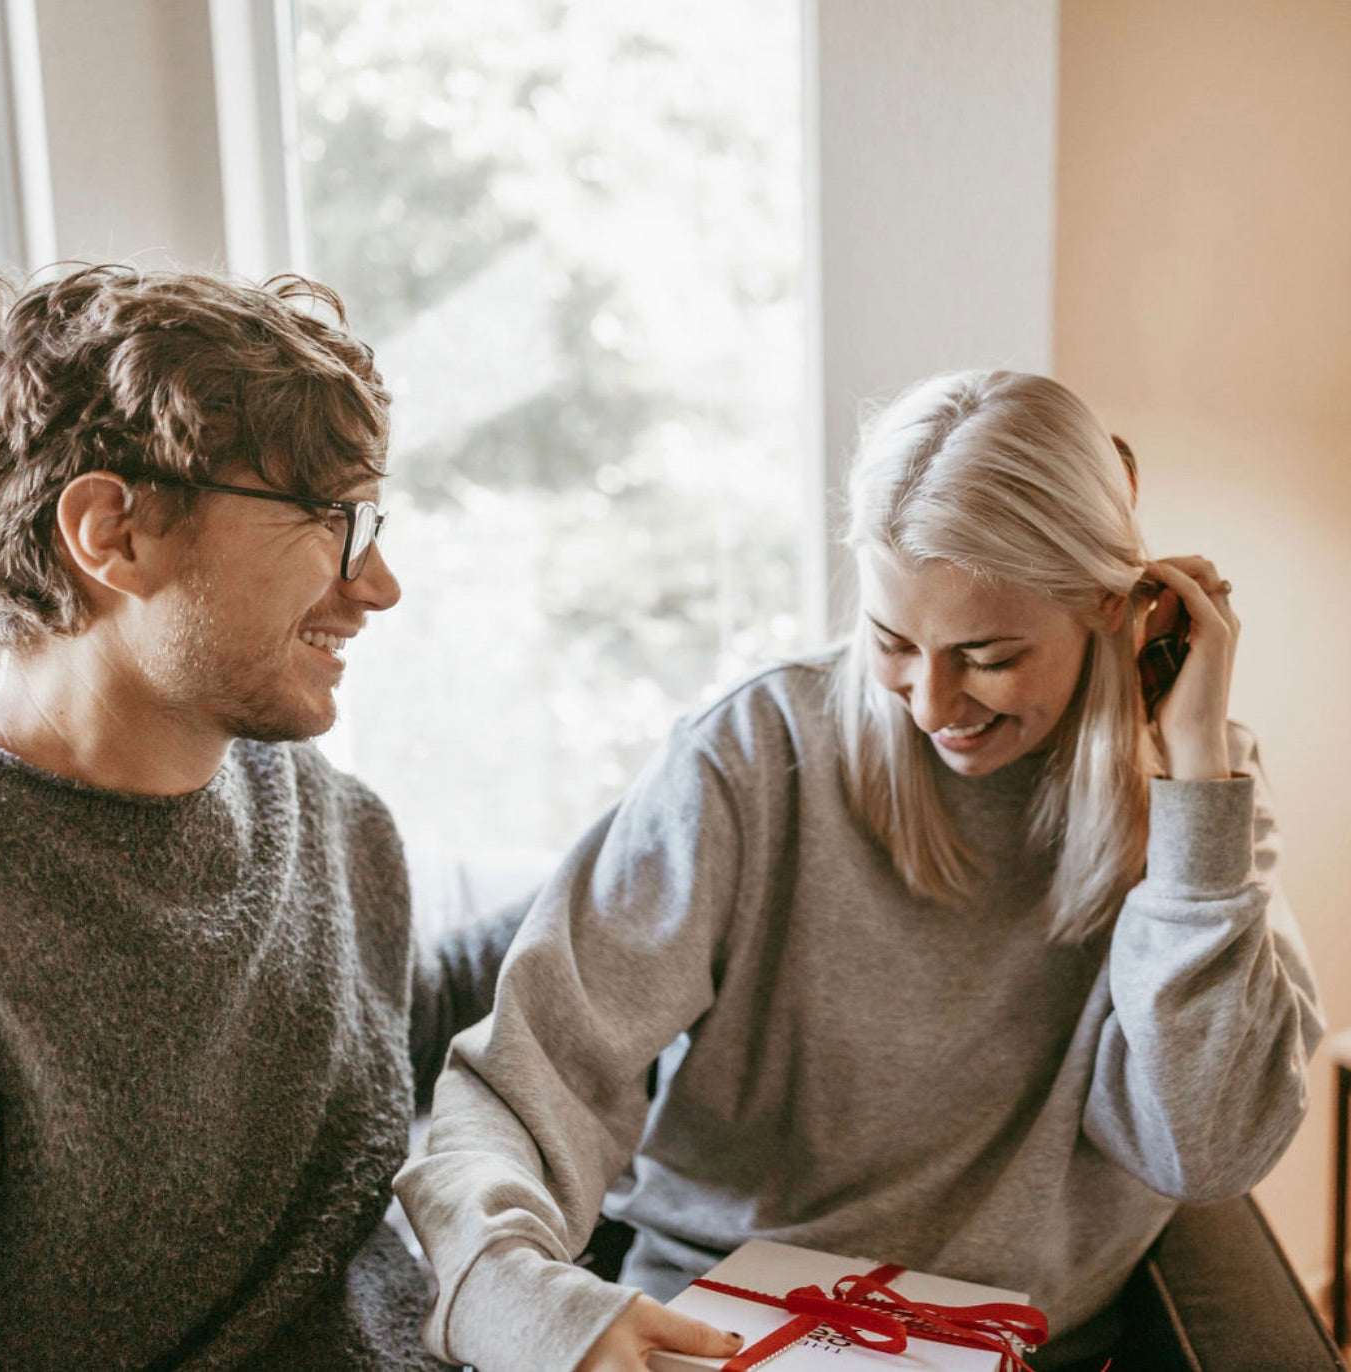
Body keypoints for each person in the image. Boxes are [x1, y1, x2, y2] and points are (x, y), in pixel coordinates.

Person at [395, 369, 1324, 1372]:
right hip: (714, 1335)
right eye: (892, 641)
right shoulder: (751, 755)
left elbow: (1208, 1148)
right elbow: (536, 1072)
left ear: (1109, 608)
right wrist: (516, 1294)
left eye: (987, 654)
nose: (931, 701)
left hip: (1005, 1350)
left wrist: (1193, 790)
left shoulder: (1198, 806)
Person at [0, 264, 516, 1370]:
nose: (377, 586)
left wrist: (692, 830)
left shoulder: (331, 818)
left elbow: (404, 1022)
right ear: (111, 531)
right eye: (333, 520)